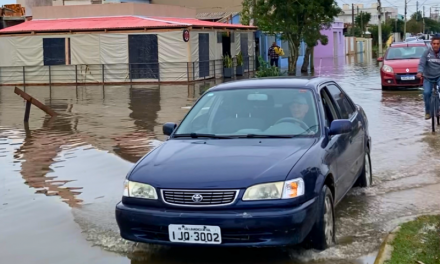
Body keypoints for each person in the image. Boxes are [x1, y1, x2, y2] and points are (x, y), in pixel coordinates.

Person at [416, 35, 440, 120]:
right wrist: (419, 72)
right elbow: (421, 63)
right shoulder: (426, 53)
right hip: (428, 77)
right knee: (426, 93)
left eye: (438, 43)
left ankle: (439, 108)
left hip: (439, 77)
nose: (436, 45)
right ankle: (428, 112)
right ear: (431, 44)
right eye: (434, 43)